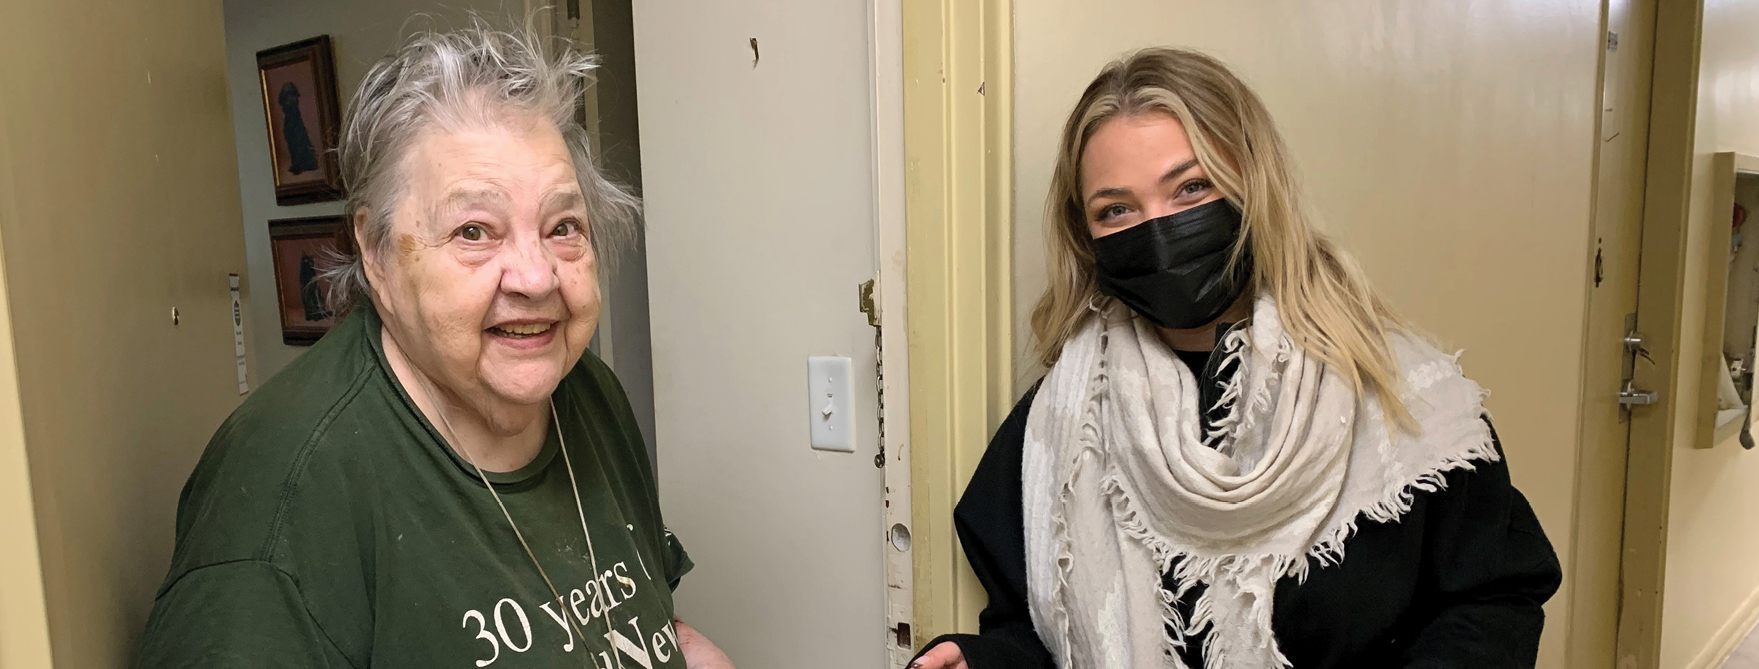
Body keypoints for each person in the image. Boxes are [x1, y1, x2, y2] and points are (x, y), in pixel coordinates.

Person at [911, 48, 1561, 669]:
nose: (1158, 228)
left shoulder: (1396, 395)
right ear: (1084, 234)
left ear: (1254, 185)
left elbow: (1490, 595)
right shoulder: (1058, 423)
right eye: (1116, 209)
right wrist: (984, 660)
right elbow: (1033, 630)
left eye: (1190, 188)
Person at [138, 23, 735, 669]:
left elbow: (643, 624)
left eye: (563, 226)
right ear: (376, 252)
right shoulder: (282, 491)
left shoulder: (590, 391)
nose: (536, 278)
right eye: (475, 230)